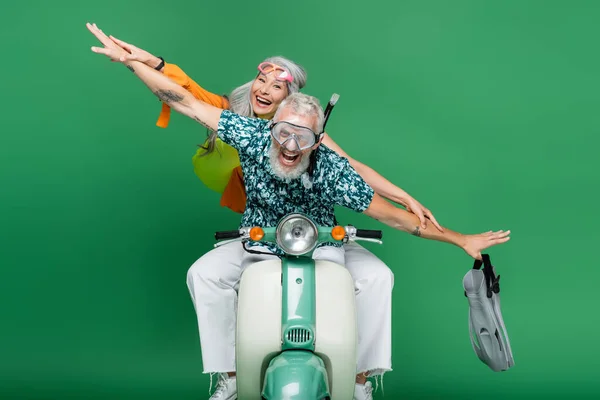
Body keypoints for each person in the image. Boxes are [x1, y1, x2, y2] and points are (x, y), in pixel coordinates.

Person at [87, 23, 511, 400]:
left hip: (324, 242)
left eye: (303, 138)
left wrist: (460, 238)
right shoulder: (250, 134)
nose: (290, 147)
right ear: (270, 126)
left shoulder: (328, 164)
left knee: (379, 277)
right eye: (283, 133)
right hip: (257, 238)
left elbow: (389, 215)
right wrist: (130, 61)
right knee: (203, 273)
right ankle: (229, 376)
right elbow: (181, 98)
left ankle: (362, 379)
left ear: (317, 138)